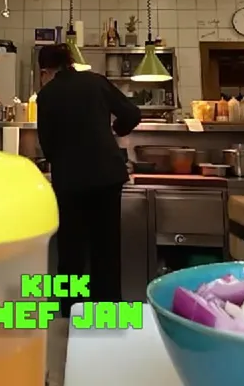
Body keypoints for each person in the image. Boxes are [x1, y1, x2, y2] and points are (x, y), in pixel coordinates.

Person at [35, 44, 142, 310]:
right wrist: (115, 129)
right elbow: (132, 114)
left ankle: (71, 315)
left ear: (45, 71)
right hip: (107, 177)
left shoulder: (46, 95)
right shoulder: (96, 82)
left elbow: (48, 146)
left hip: (70, 181)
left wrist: (62, 156)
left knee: (71, 253)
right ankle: (108, 315)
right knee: (106, 251)